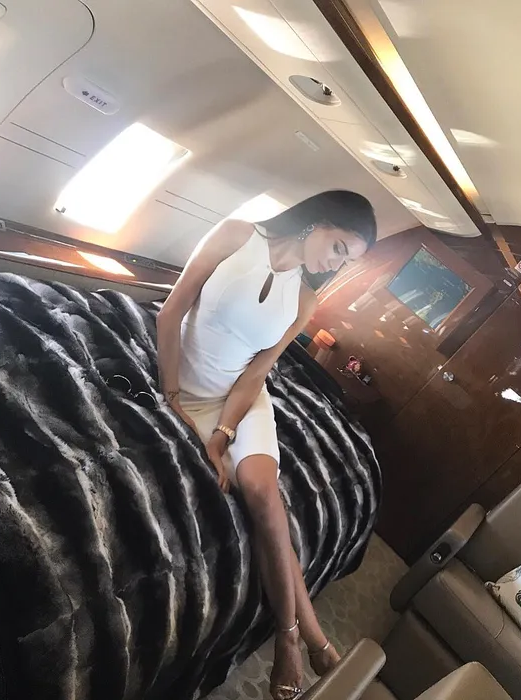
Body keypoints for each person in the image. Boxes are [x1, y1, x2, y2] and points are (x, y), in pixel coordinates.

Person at [156, 190, 377, 700]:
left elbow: (258, 373)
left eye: (346, 259)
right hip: (185, 390)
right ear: (319, 221)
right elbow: (170, 314)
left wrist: (222, 435)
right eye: (340, 248)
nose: (336, 264)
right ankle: (313, 639)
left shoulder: (304, 300)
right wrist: (172, 400)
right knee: (267, 504)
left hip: (240, 401)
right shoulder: (236, 235)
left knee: (261, 490)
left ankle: (287, 636)